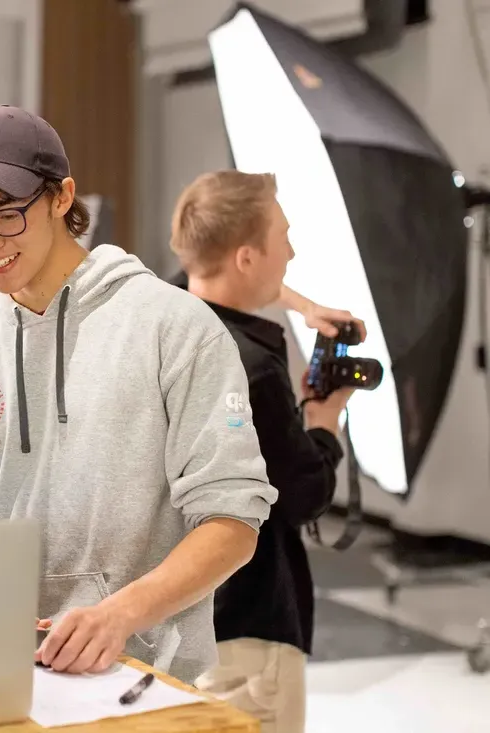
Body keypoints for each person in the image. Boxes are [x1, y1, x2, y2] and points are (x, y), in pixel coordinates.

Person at [0, 105, 278, 684]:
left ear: (62, 198)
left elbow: (232, 521)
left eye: (6, 215)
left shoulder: (173, 327)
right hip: (6, 677)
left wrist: (121, 614)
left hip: (149, 680)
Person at [167, 170, 360, 733]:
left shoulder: (165, 327)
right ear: (248, 258)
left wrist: (301, 305)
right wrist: (325, 421)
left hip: (175, 622)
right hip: (247, 630)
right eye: (283, 238)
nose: (292, 252)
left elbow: (196, 269)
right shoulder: (248, 368)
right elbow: (301, 493)